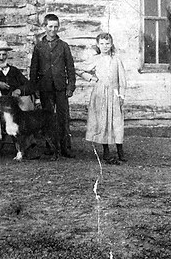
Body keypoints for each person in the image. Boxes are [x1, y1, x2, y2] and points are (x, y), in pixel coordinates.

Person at [30, 13, 77, 158]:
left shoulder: (63, 46)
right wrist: (35, 89)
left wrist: (70, 87)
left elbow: (70, 68)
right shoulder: (39, 47)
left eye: (56, 27)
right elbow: (33, 69)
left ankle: (65, 147)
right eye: (50, 26)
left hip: (60, 87)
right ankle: (50, 147)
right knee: (47, 118)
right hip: (45, 88)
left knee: (63, 117)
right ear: (45, 27)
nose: (53, 29)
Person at [76, 33, 128, 164]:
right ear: (98, 45)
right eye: (102, 44)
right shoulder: (96, 59)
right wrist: (92, 78)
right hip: (100, 93)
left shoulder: (116, 60)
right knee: (102, 121)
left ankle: (120, 150)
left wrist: (121, 95)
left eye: (108, 43)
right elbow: (78, 69)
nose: (105, 46)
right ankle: (106, 150)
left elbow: (122, 80)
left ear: (111, 44)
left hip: (114, 93)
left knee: (116, 121)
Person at [0, 40, 35, 110]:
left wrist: (19, 90)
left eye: (4, 54)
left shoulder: (14, 70)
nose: (1, 58)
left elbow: (29, 85)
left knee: (26, 101)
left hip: (15, 106)